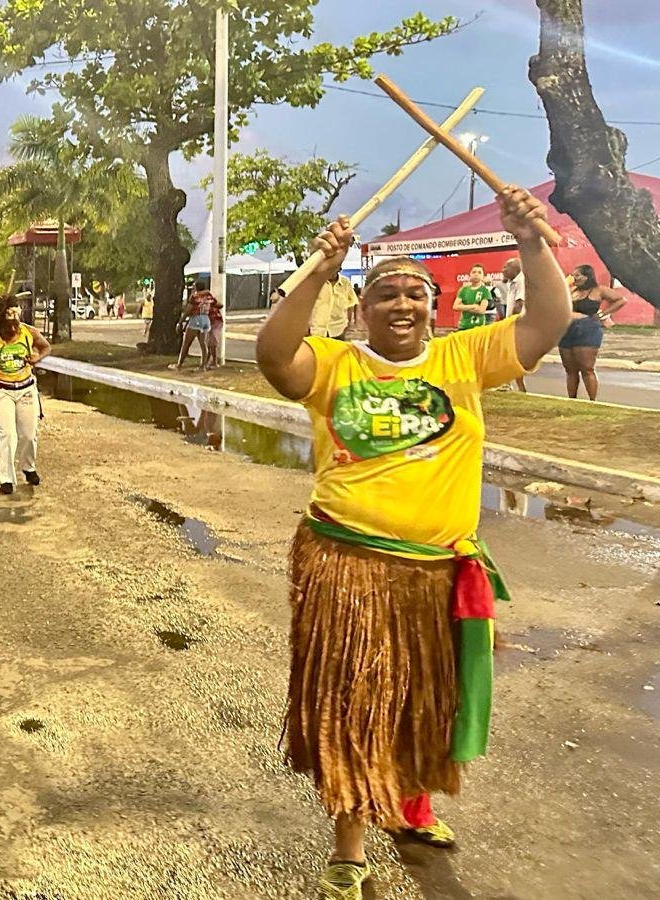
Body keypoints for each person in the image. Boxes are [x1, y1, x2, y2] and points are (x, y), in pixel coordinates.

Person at [253, 187, 570, 900]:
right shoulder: (336, 366)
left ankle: (409, 806)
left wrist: (530, 239)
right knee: (354, 705)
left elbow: (550, 322)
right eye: (386, 294)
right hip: (349, 566)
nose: (401, 305)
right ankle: (349, 846)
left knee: (425, 701)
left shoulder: (465, 359)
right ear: (362, 309)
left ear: (435, 308)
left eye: (415, 295)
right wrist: (318, 271)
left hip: (436, 571)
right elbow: (274, 356)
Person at [0, 295, 50, 495]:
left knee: (28, 434)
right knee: (7, 435)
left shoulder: (29, 332)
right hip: (1, 390)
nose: (12, 329)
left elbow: (45, 347)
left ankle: (28, 467)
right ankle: (6, 479)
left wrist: (37, 358)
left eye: (15, 324)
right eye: (7, 325)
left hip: (25, 389)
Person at [559, 263, 626, 401]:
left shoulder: (598, 290)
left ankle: (592, 401)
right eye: (573, 275)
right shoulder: (572, 290)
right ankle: (571, 399)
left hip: (587, 329)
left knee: (586, 368)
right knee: (570, 370)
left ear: (587, 276)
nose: (574, 278)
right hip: (566, 330)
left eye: (577, 275)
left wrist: (602, 314)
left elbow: (620, 300)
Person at [497, 258, 528, 391]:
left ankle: (514, 386)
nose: (502, 270)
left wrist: (511, 324)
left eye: (506, 267)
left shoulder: (521, 281)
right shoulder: (513, 282)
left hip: (517, 325)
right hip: (515, 324)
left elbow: (519, 304)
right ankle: (513, 386)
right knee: (510, 356)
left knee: (510, 356)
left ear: (516, 269)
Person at [173, 280, 216, 370]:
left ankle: (179, 365)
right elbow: (216, 304)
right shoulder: (208, 296)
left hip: (196, 319)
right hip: (205, 319)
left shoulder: (194, 296)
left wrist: (181, 321)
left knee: (186, 343)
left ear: (196, 287)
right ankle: (203, 366)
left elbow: (188, 310)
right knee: (203, 344)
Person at [310, 266, 359, 340]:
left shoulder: (345, 283)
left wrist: (350, 323)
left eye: (334, 270)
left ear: (339, 270)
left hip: (339, 330)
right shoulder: (316, 283)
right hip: (317, 331)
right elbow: (306, 306)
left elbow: (352, 304)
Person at [454, 264, 492, 331]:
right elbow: (455, 306)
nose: (476, 274)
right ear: (470, 274)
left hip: (478, 328)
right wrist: (473, 306)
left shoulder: (485, 291)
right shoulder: (463, 290)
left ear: (483, 276)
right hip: (463, 326)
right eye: (474, 272)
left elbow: (481, 311)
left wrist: (463, 307)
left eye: (479, 272)